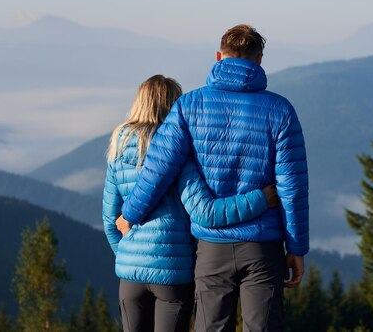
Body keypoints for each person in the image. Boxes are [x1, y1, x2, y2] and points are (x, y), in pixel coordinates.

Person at [117, 25, 309, 331]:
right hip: (263, 246)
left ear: (219, 57)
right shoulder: (281, 111)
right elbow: (293, 188)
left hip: (211, 246)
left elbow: (159, 168)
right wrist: (296, 249)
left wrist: (130, 213)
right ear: (259, 60)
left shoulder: (189, 106)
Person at [103, 74, 279, 332]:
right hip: (174, 275)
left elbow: (110, 220)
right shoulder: (181, 157)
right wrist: (262, 198)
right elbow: (206, 212)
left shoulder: (117, 151)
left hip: (130, 278)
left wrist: (132, 258)